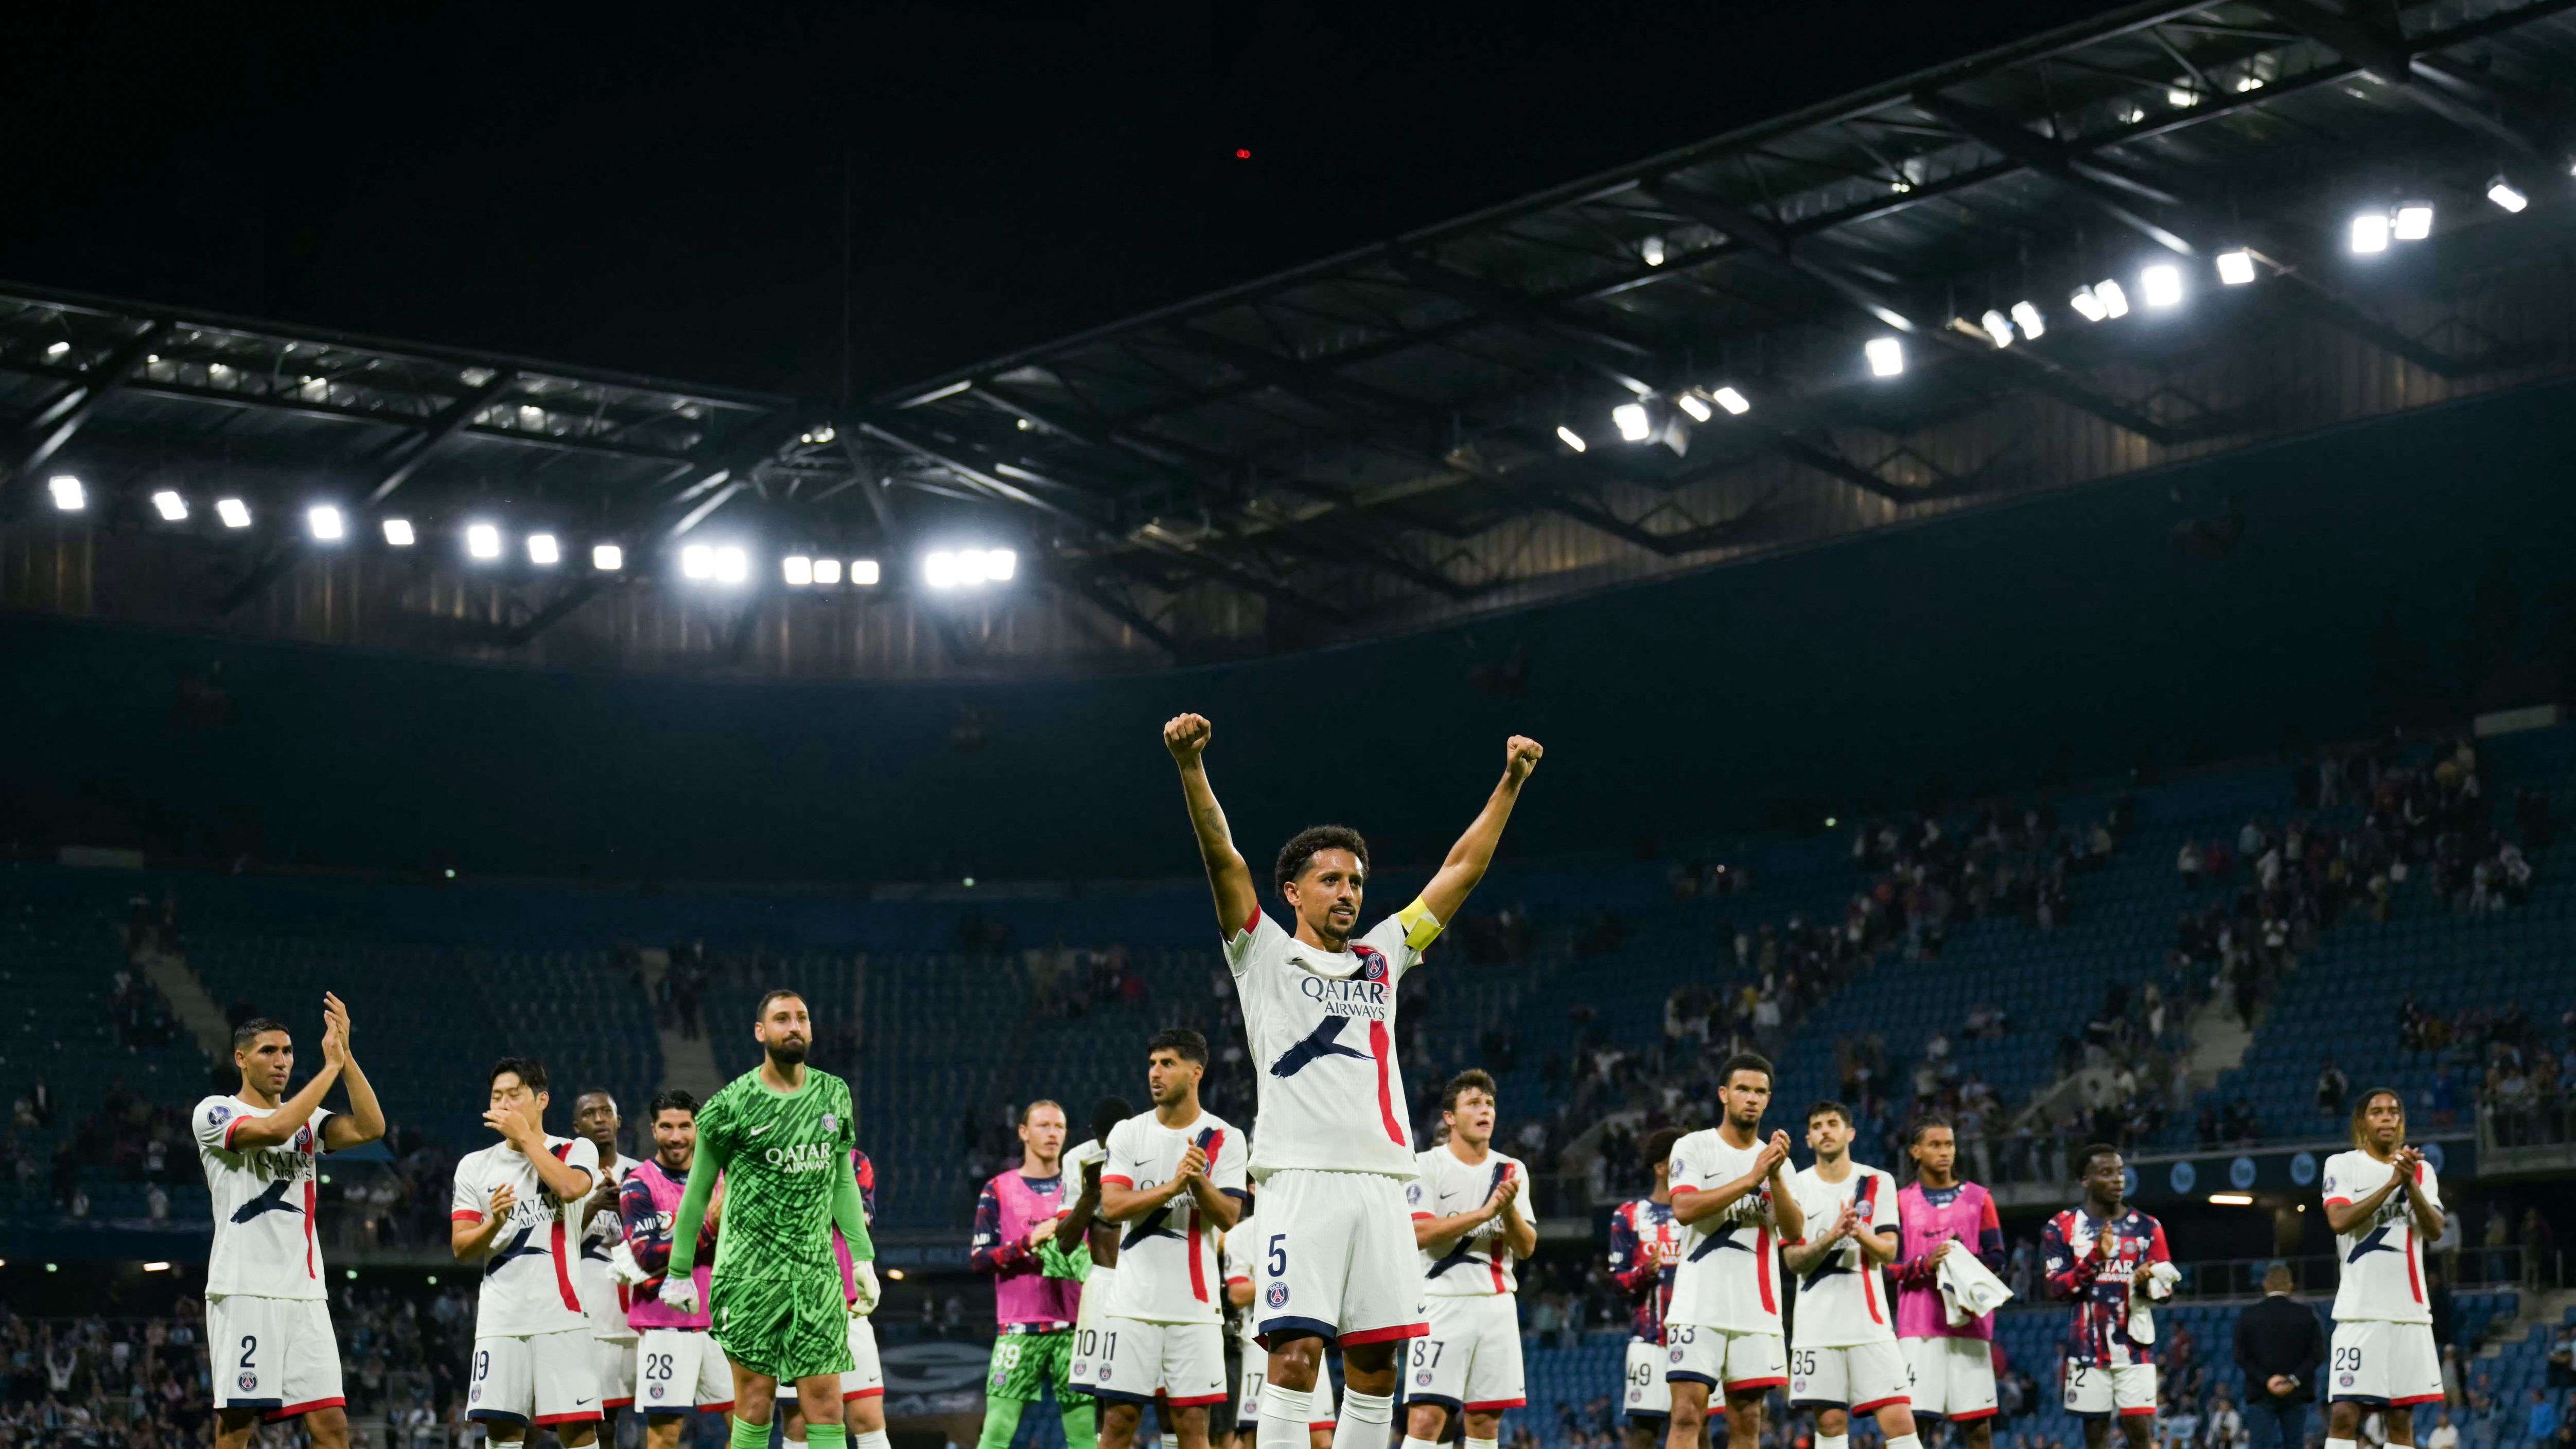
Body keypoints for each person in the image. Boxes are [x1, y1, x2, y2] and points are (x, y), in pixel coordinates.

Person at [1163, 712, 1544, 1449]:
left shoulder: (1383, 955)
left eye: (1357, 881)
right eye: (1330, 879)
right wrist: (1190, 767)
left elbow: (1460, 870)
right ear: (1292, 892)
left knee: (1374, 1364)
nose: (1347, 891)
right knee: (1296, 1353)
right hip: (1300, 1179)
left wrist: (1511, 782)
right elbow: (1222, 857)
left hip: (1381, 1182)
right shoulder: (1261, 953)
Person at [661, 992, 881, 1449]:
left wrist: (862, 1257)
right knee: (755, 1403)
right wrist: (679, 1270)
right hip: (749, 1275)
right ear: (761, 1032)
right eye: (782, 1019)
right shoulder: (728, 1105)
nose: (794, 1025)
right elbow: (699, 1191)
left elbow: (843, 1182)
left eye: (802, 1017)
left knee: (825, 1405)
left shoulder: (833, 1093)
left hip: (816, 1273)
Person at [194, 997, 386, 1449]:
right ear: (241, 1058)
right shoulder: (216, 1112)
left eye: (288, 1051)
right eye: (268, 1051)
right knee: (238, 1425)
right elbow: (276, 1129)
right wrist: (327, 1071)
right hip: (244, 1287)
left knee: (333, 1428)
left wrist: (346, 1056)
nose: (281, 1061)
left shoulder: (310, 1121)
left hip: (304, 1292)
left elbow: (371, 1127)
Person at [1091, 1029, 1250, 1449]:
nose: (1154, 1073)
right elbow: (1113, 1205)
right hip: (1132, 1304)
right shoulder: (1129, 1132)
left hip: (1194, 1308)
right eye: (1151, 1063)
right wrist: (1173, 1184)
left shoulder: (1225, 1137)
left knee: (1192, 1423)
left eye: (1167, 1063)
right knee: (1119, 1420)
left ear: (1196, 1071)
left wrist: (1197, 1181)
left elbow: (1230, 1216)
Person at [451, 1058, 606, 1449]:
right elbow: (461, 1247)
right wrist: (494, 1222)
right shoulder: (474, 1165)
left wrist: (526, 1139)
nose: (503, 1104)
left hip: (562, 1317)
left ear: (541, 1100)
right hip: (500, 1320)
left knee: (579, 1434)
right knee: (502, 1434)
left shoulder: (576, 1148)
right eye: (496, 1096)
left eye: (513, 1095)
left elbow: (572, 1188)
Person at [1662, 1053, 1805, 1449]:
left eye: (1760, 1091)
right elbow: (1684, 1208)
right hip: (1697, 1305)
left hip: (1755, 1311)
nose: (1751, 1098)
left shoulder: (1779, 1164)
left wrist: (1773, 1174)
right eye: (1743, 1088)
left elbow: (1794, 1231)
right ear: (1723, 1094)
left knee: (1747, 1418)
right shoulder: (1693, 1146)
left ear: (1769, 1098)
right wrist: (1750, 1178)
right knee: (1687, 1414)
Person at [1404, 1070, 1537, 1449]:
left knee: (1484, 1419)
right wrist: (1483, 1214)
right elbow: (1420, 1233)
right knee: (1427, 1417)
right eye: (1474, 1103)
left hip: (1496, 1305)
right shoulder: (1424, 1165)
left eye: (1490, 1104)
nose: (1485, 1111)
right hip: (1441, 1303)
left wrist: (1507, 1210)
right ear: (1450, 1116)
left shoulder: (1511, 1170)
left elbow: (1526, 1247)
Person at [1785, 1102, 1922, 1449]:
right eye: (1817, 1126)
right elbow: (1793, 1261)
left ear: (1850, 1133)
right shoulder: (1795, 1186)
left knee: (1901, 1424)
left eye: (1833, 1123)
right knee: (1830, 1426)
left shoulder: (1877, 1181)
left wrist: (1858, 1231)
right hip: (1816, 1327)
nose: (1825, 1130)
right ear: (1808, 1139)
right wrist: (1831, 1235)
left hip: (1869, 1325)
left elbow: (1889, 1251)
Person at [2322, 1090, 2446, 1449]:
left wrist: (2408, 1182)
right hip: (2359, 1312)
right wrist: (2392, 1183)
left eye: (2393, 1111)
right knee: (2344, 1412)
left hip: (2409, 1312)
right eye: (2377, 1112)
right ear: (2363, 1121)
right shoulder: (2342, 1164)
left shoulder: (2421, 1171)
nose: (2387, 1117)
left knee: (2400, 1418)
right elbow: (2339, 1219)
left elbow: (2435, 1229)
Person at [616, 1090, 737, 1449]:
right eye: (667, 1126)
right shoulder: (639, 1183)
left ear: (697, 1128)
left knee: (748, 1430)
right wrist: (709, 1227)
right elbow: (647, 1254)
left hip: (723, 1321)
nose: (676, 1136)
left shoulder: (721, 1178)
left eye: (685, 1125)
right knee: (666, 1437)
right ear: (653, 1130)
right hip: (664, 1322)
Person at [970, 1100, 1094, 1449]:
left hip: (1075, 1327)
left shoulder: (1085, 1189)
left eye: (1059, 1125)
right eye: (1043, 1125)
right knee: (995, 1433)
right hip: (1019, 1328)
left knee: (1084, 1437)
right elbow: (979, 1258)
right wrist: (1025, 1243)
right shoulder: (997, 1189)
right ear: (1023, 1132)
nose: (1052, 1133)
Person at [2043, 1145, 2175, 1449]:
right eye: (2106, 1173)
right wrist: (2094, 1259)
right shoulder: (2062, 1226)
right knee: (2096, 1439)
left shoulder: (2148, 1227)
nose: (2118, 1180)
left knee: (2142, 1436)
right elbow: (2056, 1288)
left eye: (2119, 1172)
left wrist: (2146, 1284)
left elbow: (2166, 1292)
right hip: (2086, 1348)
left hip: (2135, 1349)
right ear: (2085, 1180)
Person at [1894, 1119, 2006, 1449]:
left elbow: (1998, 1259)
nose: (1945, 1152)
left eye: (1949, 1145)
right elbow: (1887, 1266)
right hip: (1918, 1328)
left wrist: (1962, 1263)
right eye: (1935, 1145)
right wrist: (1925, 1265)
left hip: (1969, 1327)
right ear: (1916, 1152)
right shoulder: (1900, 1202)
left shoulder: (1979, 1199)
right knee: (1915, 1427)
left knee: (1978, 1431)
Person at [781, 1144, 887, 1449]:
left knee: (868, 1419)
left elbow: (860, 1217)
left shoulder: (855, 1161)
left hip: (847, 1304)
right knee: (801, 1423)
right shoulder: (771, 1153)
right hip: (791, 1308)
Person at [1225, 1202, 1340, 1449]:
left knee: (1321, 1440)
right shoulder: (1241, 1234)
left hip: (1312, 1335)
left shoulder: (1315, 1223)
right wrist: (1287, 1276)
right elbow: (1238, 1293)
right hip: (1261, 1344)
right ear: (1254, 1188)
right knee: (1254, 1438)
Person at [1607, 1130, 1686, 1449]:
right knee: (1644, 1433)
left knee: (1699, 1425)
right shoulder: (1628, 1215)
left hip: (1695, 1336)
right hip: (1648, 1338)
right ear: (1660, 1167)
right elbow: (1617, 1282)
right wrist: (1643, 1273)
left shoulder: (1700, 1214)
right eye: (1679, 1160)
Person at [571, 1091, 639, 1423]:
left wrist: (628, 1210)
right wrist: (595, 1203)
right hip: (581, 1311)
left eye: (606, 1112)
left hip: (627, 1315)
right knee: (559, 1419)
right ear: (576, 1126)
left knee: (610, 1423)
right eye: (589, 1113)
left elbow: (658, 1241)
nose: (599, 1119)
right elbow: (555, 1240)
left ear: (618, 1121)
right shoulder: (564, 1177)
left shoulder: (643, 1174)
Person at [2232, 1263, 2324, 1449]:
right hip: (2296, 1393)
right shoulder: (2306, 1314)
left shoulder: (2249, 1315)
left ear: (2265, 1285)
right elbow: (2318, 1355)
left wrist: (2267, 1380)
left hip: (2260, 1392)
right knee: (2295, 1444)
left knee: (2259, 1445)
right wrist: (2292, 1380)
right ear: (2290, 1286)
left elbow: (2240, 1356)